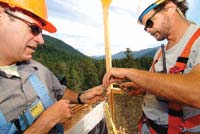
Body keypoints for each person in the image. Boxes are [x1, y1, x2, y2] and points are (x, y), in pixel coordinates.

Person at [0, 0, 105, 133]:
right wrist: (47, 121)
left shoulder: (37, 69)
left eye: (41, 32)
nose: (41, 40)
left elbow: (59, 91)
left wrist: (81, 97)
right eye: (34, 28)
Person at [102, 0, 200, 133]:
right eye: (144, 27)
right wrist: (142, 88)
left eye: (149, 22)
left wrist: (131, 73)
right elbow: (164, 85)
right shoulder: (160, 53)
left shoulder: (197, 42)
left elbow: (196, 92)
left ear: (170, 8)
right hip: (147, 126)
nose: (147, 30)